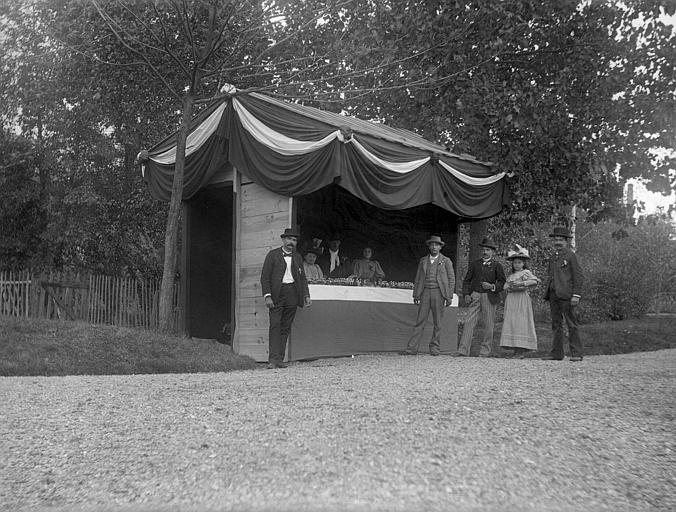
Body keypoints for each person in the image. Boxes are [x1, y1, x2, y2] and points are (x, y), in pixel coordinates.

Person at [260, 227, 311, 369]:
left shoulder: (298, 257)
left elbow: (302, 278)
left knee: (285, 327)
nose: (291, 242)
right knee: (275, 325)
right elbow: (265, 277)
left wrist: (306, 295)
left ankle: (280, 359)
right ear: (283, 240)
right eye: (289, 239)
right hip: (277, 294)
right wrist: (267, 296)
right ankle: (272, 359)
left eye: (294, 240)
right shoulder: (272, 255)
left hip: (293, 294)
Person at [401, 235, 455, 356]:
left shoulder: (446, 261)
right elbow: (418, 278)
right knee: (420, 320)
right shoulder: (423, 261)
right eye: (432, 244)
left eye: (437, 245)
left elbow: (451, 279)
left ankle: (435, 348)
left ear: (440, 247)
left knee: (438, 322)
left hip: (439, 293)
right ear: (429, 246)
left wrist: (449, 296)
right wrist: (416, 294)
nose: (434, 247)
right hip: (425, 292)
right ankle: (412, 349)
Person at [455, 237, 506, 357]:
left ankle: (485, 351)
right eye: (484, 249)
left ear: (492, 252)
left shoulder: (497, 265)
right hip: (476, 295)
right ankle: (463, 350)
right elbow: (467, 280)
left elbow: (503, 282)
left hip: (490, 296)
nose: (485, 252)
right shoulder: (475, 264)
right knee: (469, 322)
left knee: (488, 324)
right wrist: (466, 294)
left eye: (488, 250)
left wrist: (492, 286)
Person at [542, 226, 584, 362]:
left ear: (566, 241)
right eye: (556, 240)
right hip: (553, 294)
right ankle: (557, 353)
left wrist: (576, 295)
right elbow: (551, 274)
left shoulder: (571, 256)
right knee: (556, 324)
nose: (558, 242)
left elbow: (578, 276)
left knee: (571, 324)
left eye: (561, 240)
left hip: (567, 295)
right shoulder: (553, 257)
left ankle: (576, 353)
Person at [499, 245, 541, 358]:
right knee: (512, 322)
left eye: (519, 262)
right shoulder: (511, 276)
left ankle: (521, 349)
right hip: (512, 299)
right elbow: (505, 286)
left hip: (521, 299)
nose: (517, 265)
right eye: (515, 263)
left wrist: (522, 284)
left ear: (523, 263)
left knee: (521, 322)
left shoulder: (525, 273)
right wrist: (510, 286)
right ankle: (514, 347)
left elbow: (534, 281)